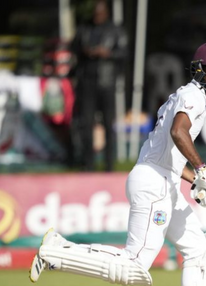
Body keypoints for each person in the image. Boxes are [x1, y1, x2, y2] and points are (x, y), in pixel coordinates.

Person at [29, 42, 206, 286]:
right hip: (154, 184)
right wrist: (204, 169)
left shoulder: (191, 97)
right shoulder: (192, 95)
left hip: (162, 179)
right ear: (199, 69)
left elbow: (170, 155)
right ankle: (57, 252)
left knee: (199, 249)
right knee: (135, 266)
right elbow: (178, 133)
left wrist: (201, 182)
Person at [70, 0, 127, 171]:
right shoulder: (84, 29)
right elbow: (74, 48)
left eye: (100, 13)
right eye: (95, 13)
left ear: (106, 13)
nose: (97, 16)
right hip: (87, 81)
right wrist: (86, 52)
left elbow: (124, 52)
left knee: (108, 124)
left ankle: (109, 164)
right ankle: (89, 164)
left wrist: (107, 53)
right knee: (86, 123)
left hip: (107, 82)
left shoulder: (115, 30)